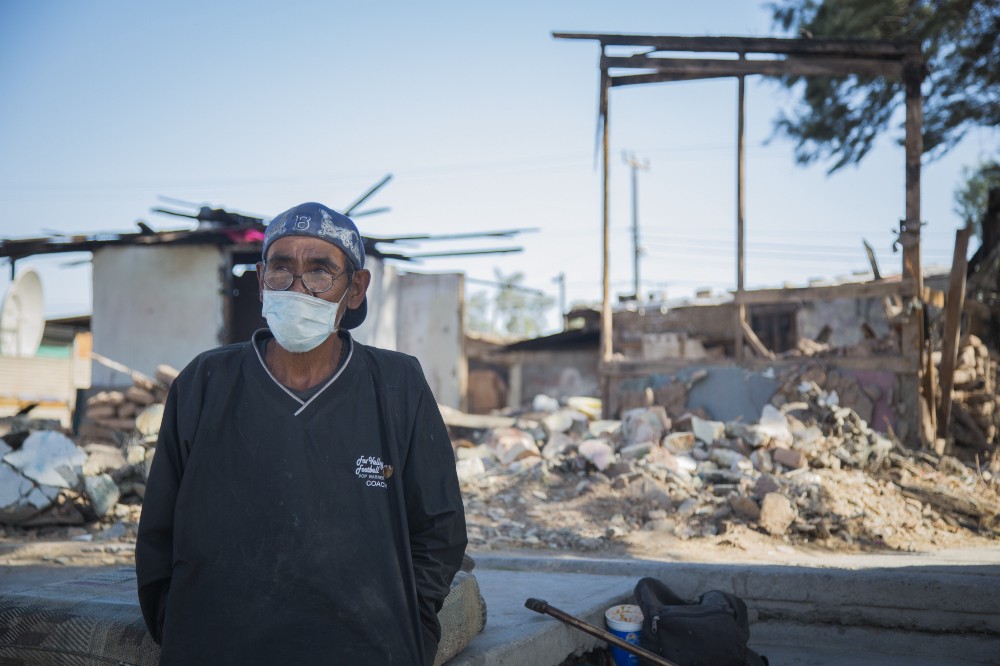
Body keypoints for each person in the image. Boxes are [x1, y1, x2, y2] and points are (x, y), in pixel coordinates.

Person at [136, 202, 468, 665]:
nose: (297, 288)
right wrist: (182, 627)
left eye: (319, 272)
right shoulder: (205, 382)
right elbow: (157, 532)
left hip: (368, 649)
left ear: (355, 289)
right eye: (281, 268)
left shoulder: (397, 384)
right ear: (260, 279)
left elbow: (440, 530)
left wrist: (407, 621)